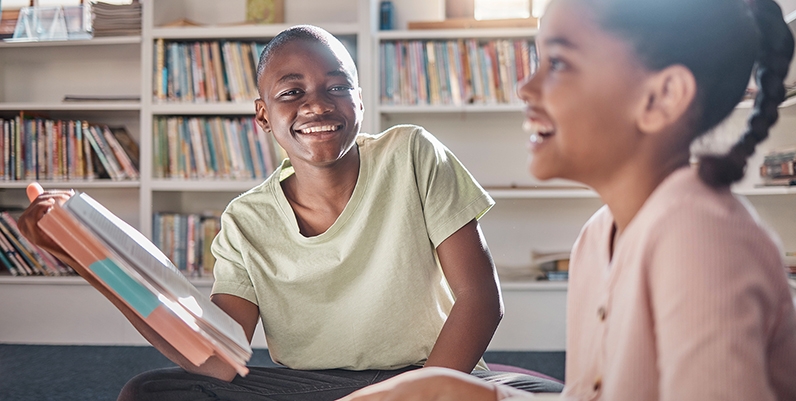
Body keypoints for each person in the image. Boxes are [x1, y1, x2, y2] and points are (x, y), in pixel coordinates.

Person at [17, 25, 562, 400]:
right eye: (291, 91)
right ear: (263, 114)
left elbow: (480, 300)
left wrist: (418, 392)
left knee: (561, 394)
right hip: (314, 388)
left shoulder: (412, 153)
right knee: (151, 392)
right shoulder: (245, 221)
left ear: (360, 103)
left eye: (337, 87)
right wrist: (93, 263)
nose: (317, 104)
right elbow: (215, 358)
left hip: (433, 375)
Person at [338, 0, 796, 400]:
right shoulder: (598, 236)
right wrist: (470, 393)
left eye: (557, 64)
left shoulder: (699, 238)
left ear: (661, 98)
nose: (524, 88)